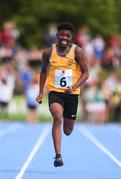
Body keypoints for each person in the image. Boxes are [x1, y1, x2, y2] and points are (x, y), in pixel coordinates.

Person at [36, 22, 89, 167]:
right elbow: (43, 71)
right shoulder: (48, 52)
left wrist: (74, 86)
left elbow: (86, 73)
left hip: (72, 93)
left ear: (71, 37)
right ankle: (58, 155)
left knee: (68, 130)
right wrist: (41, 91)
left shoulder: (78, 52)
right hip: (55, 92)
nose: (64, 37)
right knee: (57, 117)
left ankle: (66, 126)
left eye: (68, 35)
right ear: (57, 35)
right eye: (62, 34)